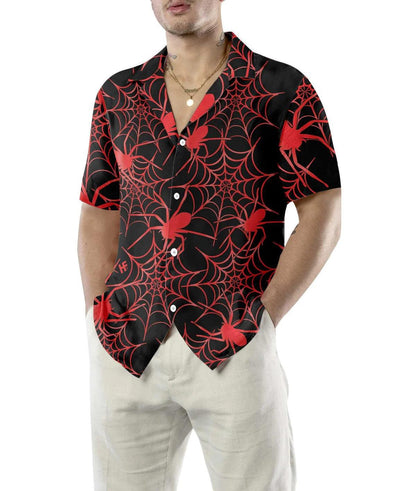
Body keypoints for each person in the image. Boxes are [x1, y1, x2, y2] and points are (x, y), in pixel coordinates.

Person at [77, 1, 342, 489]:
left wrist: (265, 318)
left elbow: (322, 209)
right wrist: (100, 312)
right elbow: (99, 212)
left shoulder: (281, 88)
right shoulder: (117, 95)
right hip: (127, 346)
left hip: (235, 343)